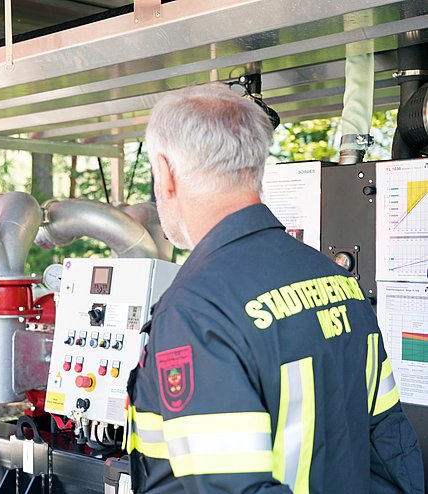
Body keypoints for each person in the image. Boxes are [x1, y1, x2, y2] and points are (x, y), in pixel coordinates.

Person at [125, 84, 424, 493]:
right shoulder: (340, 284)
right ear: (254, 168)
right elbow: (392, 449)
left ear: (165, 171)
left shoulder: (196, 311)